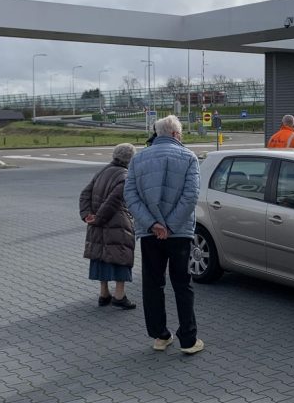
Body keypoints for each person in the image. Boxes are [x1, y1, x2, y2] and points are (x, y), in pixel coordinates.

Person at [124, 115, 204, 355]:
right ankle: (188, 340)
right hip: (179, 233)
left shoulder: (138, 158)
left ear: (157, 133)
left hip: (150, 234)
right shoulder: (189, 157)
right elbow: (191, 196)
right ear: (176, 134)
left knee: (152, 284)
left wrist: (153, 225)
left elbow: (130, 196)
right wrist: (169, 226)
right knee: (182, 284)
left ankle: (160, 336)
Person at [80, 143, 138, 309]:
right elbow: (113, 202)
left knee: (101, 257)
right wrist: (98, 218)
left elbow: (85, 194)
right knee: (121, 257)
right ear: (130, 159)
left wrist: (87, 215)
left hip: (97, 224)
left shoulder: (102, 171)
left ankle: (104, 294)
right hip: (117, 224)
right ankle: (119, 296)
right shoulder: (125, 176)